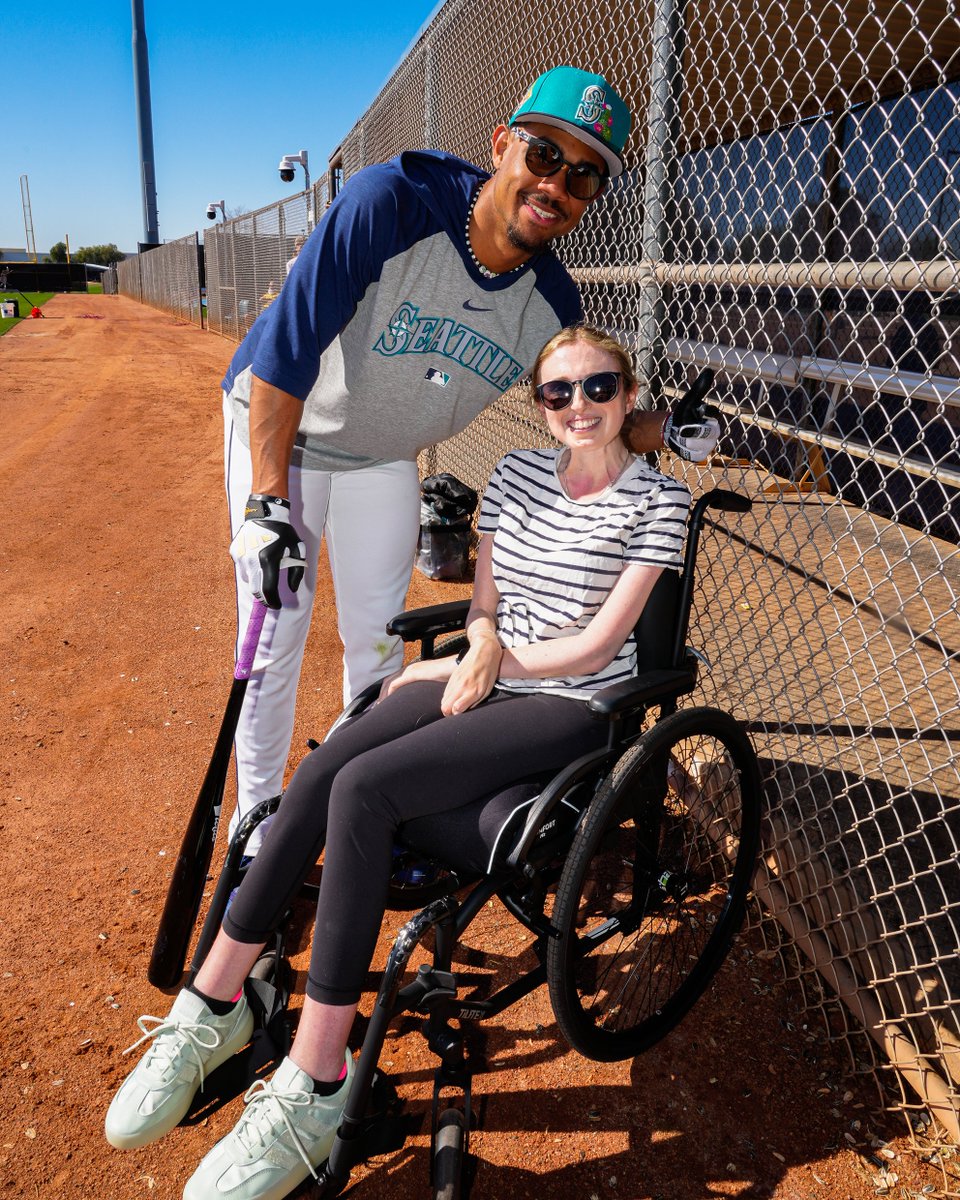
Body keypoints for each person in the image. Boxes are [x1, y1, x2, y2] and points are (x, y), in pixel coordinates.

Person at [105, 323, 693, 1199]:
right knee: (321, 771)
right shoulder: (516, 475)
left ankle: (318, 1080)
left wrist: (479, 665)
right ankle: (213, 1005)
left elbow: (601, 647)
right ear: (540, 404)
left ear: (629, 394)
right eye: (558, 391)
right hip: (486, 671)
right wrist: (474, 647)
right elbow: (485, 603)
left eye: (599, 387)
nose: (579, 406)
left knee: (366, 789)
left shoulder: (659, 500)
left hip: (570, 706)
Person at [222, 63, 719, 857]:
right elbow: (284, 351)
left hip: (383, 458)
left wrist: (662, 428)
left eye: (583, 175)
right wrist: (268, 502)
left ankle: (358, 822)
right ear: (501, 145)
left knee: (378, 642)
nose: (556, 184)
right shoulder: (390, 203)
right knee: (277, 631)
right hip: (286, 427)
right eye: (544, 155)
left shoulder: (551, 303)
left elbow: (580, 413)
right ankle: (256, 834)